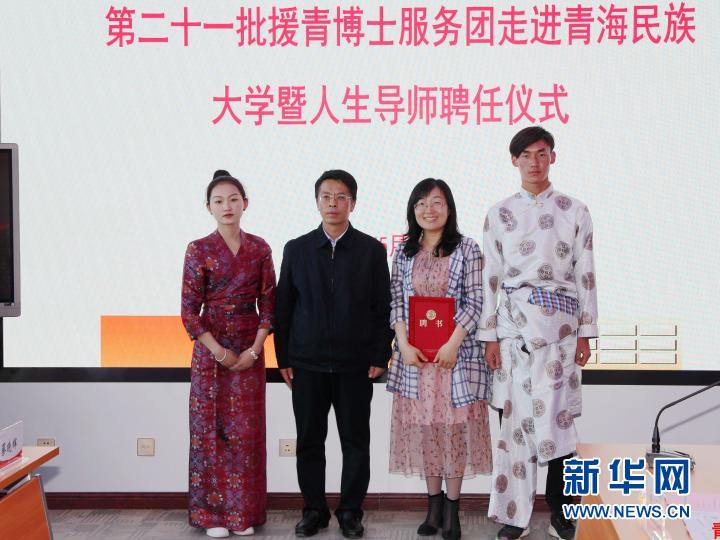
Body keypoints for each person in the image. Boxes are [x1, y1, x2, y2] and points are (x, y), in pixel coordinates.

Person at [478, 127, 598, 540]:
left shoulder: (574, 210)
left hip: (560, 332)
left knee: (559, 426)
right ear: (514, 160)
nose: (534, 161)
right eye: (526, 155)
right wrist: (489, 336)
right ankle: (515, 516)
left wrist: (586, 333)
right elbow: (490, 277)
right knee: (514, 426)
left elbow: (586, 273)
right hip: (512, 332)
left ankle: (564, 515)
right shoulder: (498, 213)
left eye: (542, 153)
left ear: (553, 157)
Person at [274, 169, 393, 539]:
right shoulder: (297, 249)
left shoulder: (372, 251)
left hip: (354, 365)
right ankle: (313, 510)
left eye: (341, 197)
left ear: (352, 204)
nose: (333, 203)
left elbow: (383, 307)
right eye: (326, 196)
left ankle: (350, 512)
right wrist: (283, 358)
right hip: (306, 363)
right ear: (317, 202)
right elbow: (283, 307)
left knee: (355, 442)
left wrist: (380, 355)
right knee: (309, 442)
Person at [386, 178, 492, 540]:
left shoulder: (467, 249)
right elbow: (397, 301)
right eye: (421, 204)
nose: (428, 210)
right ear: (412, 210)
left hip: (454, 361)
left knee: (454, 434)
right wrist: (402, 343)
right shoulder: (404, 253)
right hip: (417, 362)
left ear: (449, 208)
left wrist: (452, 343)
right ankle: (432, 508)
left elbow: (476, 301)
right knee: (426, 432)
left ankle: (452, 510)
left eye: (436, 202)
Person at [181, 170, 276, 539]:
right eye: (218, 200)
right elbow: (189, 311)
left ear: (245, 204)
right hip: (211, 352)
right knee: (210, 432)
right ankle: (212, 516)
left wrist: (255, 349)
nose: (227, 206)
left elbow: (269, 304)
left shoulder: (260, 248)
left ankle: (243, 514)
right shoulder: (198, 249)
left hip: (250, 349)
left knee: (246, 434)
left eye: (234, 199)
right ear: (208, 207)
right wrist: (220, 353)